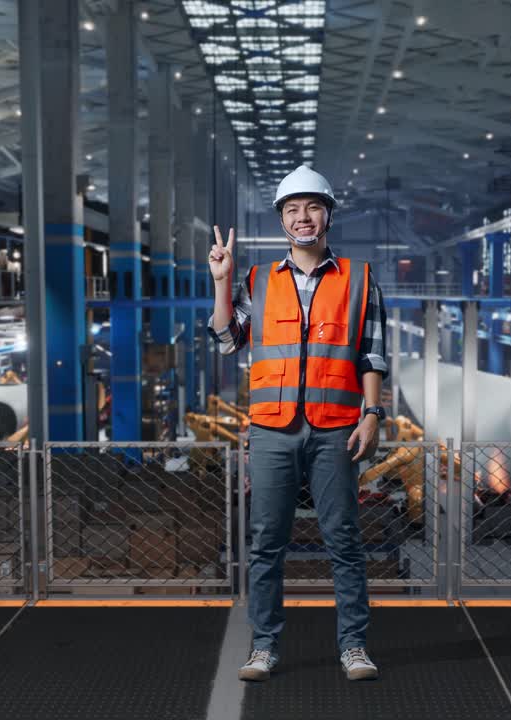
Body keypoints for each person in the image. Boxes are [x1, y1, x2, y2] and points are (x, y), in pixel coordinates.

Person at [207, 165, 387, 682]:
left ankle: (354, 646)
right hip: (272, 428)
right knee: (266, 542)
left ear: (328, 214)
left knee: (344, 540)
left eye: (311, 207)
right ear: (282, 220)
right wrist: (222, 283)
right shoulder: (256, 280)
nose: (302, 217)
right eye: (291, 210)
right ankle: (263, 647)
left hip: (335, 427)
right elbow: (226, 339)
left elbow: (371, 354)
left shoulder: (359, 278)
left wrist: (371, 415)